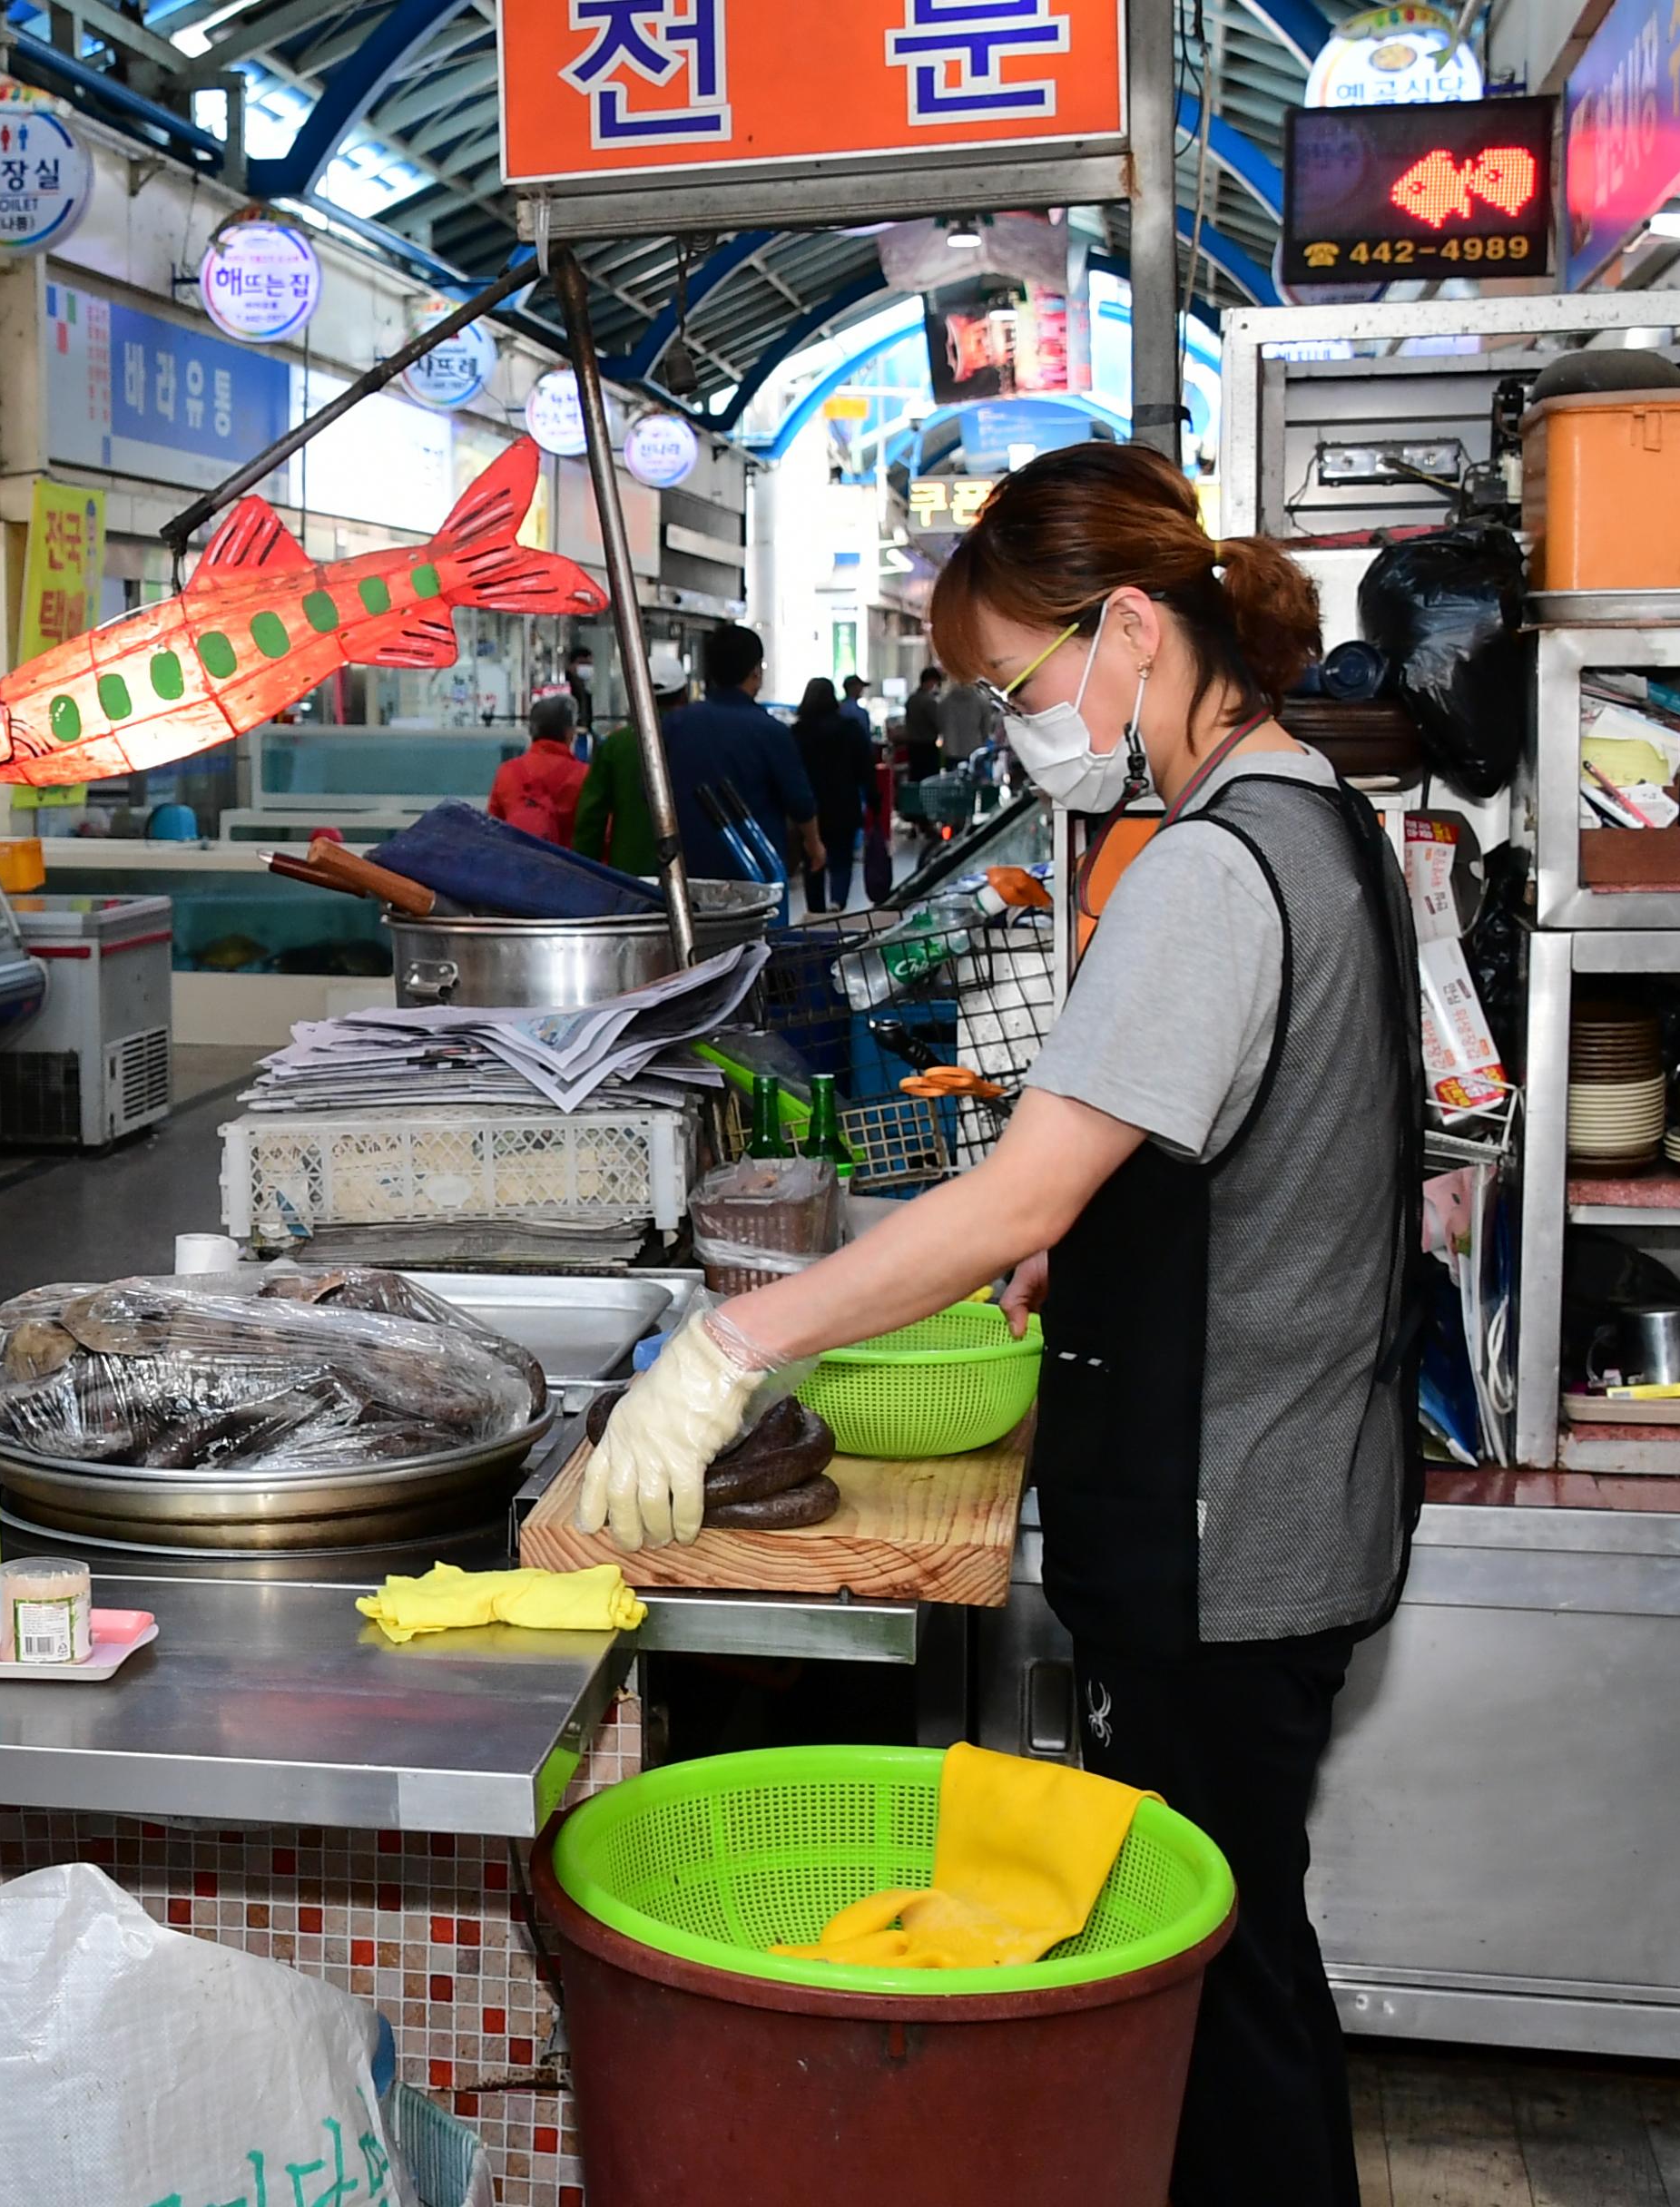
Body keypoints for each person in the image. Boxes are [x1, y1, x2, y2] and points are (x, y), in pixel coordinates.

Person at [584, 443, 1417, 2207]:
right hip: (1302, 1491)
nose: (1009, 729)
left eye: (1012, 686)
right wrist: (1107, 1247)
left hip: (1223, 1527)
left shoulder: (1207, 868)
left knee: (1218, 1994)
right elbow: (1255, 1146)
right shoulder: (1314, 806)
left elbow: (1019, 1192)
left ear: (1130, 629)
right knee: (1243, 1954)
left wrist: (736, 1346)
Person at [655, 622, 819, 889]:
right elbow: (800, 801)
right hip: (756, 870)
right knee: (761, 931)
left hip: (686, 870)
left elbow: (649, 792)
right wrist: (814, 845)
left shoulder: (675, 725)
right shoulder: (770, 731)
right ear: (755, 670)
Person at [570, 656, 687, 875]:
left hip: (630, 874)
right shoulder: (697, 739)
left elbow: (591, 818)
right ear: (684, 695)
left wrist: (584, 873)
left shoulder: (616, 745)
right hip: (693, 872)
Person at [790, 677, 876, 912]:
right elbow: (865, 769)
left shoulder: (798, 732)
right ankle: (838, 901)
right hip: (844, 804)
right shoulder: (850, 729)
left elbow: (790, 772)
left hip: (810, 809)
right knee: (841, 859)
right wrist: (873, 802)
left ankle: (816, 910)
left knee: (812, 861)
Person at [489, 692, 589, 846]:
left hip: (518, 864)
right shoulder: (583, 776)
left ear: (531, 731)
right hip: (567, 866)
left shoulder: (507, 772)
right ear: (569, 732)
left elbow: (492, 829)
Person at [899, 665, 948, 781]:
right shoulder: (929, 701)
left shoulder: (911, 699)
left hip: (912, 746)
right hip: (927, 747)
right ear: (931, 681)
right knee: (930, 781)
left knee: (915, 778)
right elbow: (939, 723)